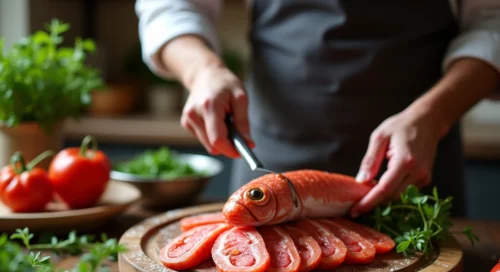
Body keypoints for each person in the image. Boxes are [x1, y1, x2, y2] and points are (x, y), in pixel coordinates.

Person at [135, 0, 500, 218]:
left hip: (416, 163)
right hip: (271, 148)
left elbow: (493, 21)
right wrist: (203, 71)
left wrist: (435, 114)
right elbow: (170, 4)